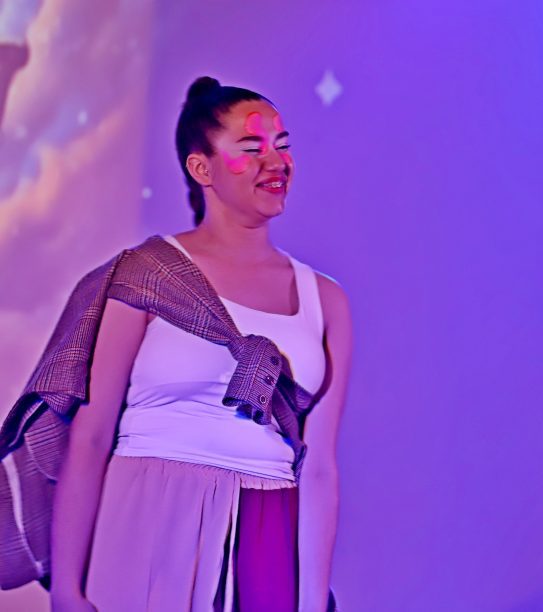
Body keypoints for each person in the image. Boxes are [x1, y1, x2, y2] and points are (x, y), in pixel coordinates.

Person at [0, 77, 349, 611]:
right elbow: (91, 438)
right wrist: (67, 590)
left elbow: (319, 467)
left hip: (268, 523)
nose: (276, 162)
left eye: (282, 146)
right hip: (145, 512)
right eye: (252, 148)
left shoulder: (325, 300)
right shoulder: (147, 274)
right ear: (201, 169)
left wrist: (311, 601)